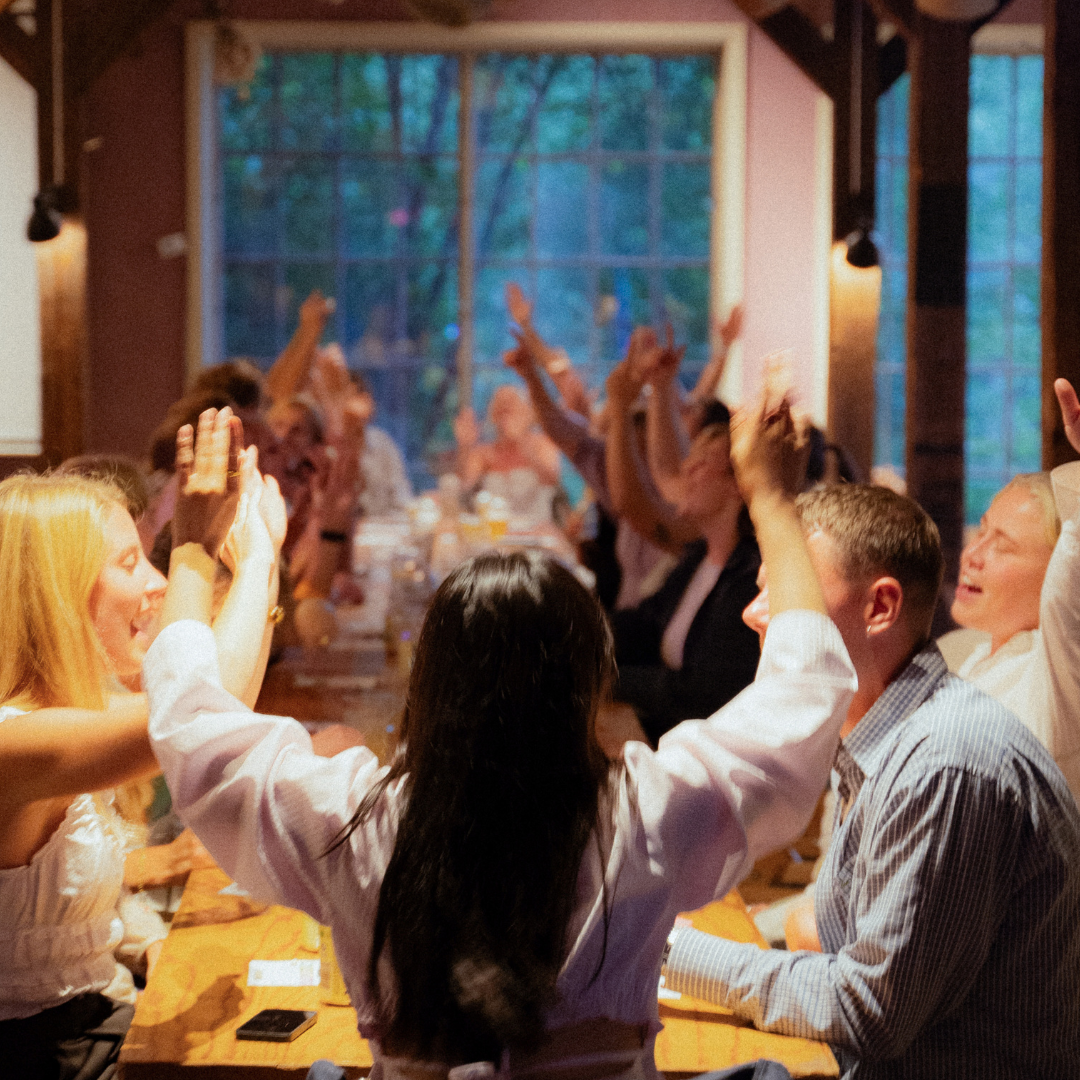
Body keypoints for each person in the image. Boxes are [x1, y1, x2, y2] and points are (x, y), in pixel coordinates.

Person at [142, 392, 857, 1079]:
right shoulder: (648, 814)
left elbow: (192, 725)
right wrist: (773, 499)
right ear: (586, 690)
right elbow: (803, 691)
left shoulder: (350, 819)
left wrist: (196, 555)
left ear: (428, 686)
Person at [661, 483, 1080, 1078]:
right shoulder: (884, 732)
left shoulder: (946, 762)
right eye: (761, 590)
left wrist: (673, 950)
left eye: (791, 594)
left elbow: (871, 1012)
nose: (754, 615)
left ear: (880, 608)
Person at [0, 411, 281, 1079]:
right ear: (58, 597)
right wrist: (197, 551)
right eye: (131, 562)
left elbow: (213, 694)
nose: (155, 586)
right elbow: (202, 711)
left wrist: (258, 558)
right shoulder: (15, 741)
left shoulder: (69, 711)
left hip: (93, 1024)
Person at [605, 350, 761, 744]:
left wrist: (604, 679)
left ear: (736, 486)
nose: (689, 469)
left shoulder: (748, 580)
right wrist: (578, 633)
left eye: (705, 462)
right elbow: (646, 622)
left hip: (701, 752)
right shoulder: (698, 557)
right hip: (668, 731)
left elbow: (699, 693)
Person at [940, 377, 1080, 802]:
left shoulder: (1057, 677)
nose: (973, 555)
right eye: (980, 532)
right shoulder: (967, 653)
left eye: (1004, 545)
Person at [455, 385, 562, 526]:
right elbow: (464, 484)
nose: (505, 410)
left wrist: (522, 443)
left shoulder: (543, 443)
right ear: (492, 416)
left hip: (539, 530)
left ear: (528, 413)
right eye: (500, 406)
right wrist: (465, 447)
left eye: (511, 405)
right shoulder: (484, 452)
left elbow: (552, 480)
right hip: (497, 532)